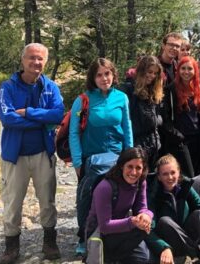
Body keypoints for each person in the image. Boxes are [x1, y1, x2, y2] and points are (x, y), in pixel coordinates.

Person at [0, 43, 64, 264]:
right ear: (23, 60)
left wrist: (28, 113)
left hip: (43, 153)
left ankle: (49, 240)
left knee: (47, 199)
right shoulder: (8, 87)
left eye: (40, 59)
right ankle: (12, 246)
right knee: (13, 201)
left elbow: (57, 115)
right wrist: (40, 119)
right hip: (14, 156)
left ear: (46, 62)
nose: (36, 63)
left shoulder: (51, 87)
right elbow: (7, 119)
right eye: (32, 58)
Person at [70, 58, 133, 255]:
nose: (104, 78)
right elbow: (73, 132)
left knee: (115, 197)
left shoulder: (121, 98)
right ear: (93, 78)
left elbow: (127, 127)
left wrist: (130, 156)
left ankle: (110, 233)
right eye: (99, 74)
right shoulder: (83, 100)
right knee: (86, 198)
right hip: (91, 159)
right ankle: (84, 237)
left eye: (107, 73)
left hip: (116, 158)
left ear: (113, 75)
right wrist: (78, 161)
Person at [87, 147, 153, 263]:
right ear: (122, 166)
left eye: (138, 168)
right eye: (130, 167)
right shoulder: (105, 187)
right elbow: (105, 226)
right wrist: (132, 222)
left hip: (121, 229)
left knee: (144, 257)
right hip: (102, 235)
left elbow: (142, 208)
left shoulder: (140, 182)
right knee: (139, 229)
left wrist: (147, 216)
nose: (133, 172)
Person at [163, 56, 200, 177]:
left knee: (196, 172)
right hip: (180, 140)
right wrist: (177, 135)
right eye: (183, 68)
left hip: (197, 139)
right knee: (189, 174)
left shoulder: (198, 89)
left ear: (195, 71)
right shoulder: (171, 90)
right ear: (178, 70)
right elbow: (165, 118)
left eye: (190, 68)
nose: (186, 72)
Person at [118, 55, 164, 168]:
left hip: (152, 145)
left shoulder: (153, 90)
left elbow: (157, 116)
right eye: (149, 72)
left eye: (155, 73)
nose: (152, 76)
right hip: (135, 145)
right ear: (142, 71)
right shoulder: (128, 89)